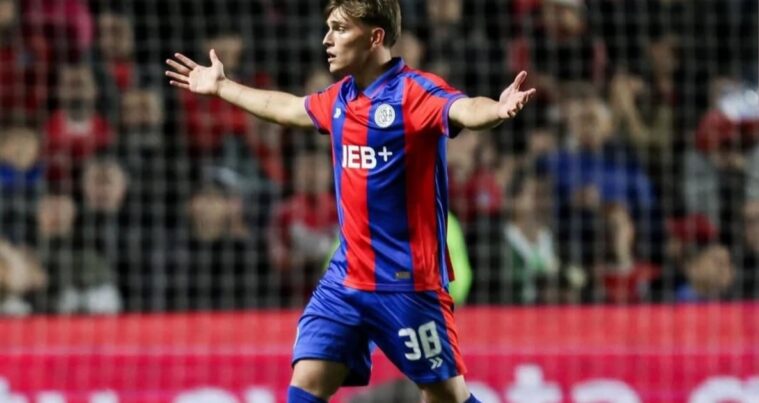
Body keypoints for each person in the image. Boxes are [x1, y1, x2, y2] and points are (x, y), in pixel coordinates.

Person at [165, 0, 535, 402]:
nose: (327, 39)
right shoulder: (341, 97)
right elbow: (288, 108)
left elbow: (463, 108)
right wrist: (222, 87)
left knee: (446, 396)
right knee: (306, 382)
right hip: (345, 279)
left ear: (375, 36)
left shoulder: (414, 92)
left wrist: (496, 110)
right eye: (328, 27)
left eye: (339, 28)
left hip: (407, 286)